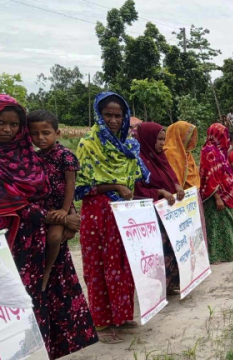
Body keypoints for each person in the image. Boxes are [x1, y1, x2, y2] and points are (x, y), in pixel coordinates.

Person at [0, 95, 99, 357]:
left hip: (40, 240)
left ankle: (43, 351)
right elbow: (17, 205)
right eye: (1, 123)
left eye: (13, 125)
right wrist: (62, 218)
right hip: (10, 244)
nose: (8, 130)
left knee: (44, 298)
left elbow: (63, 187)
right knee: (13, 304)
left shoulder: (28, 155)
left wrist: (69, 213)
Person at [75, 92, 150, 344]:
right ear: (99, 115)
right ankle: (101, 322)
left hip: (124, 213)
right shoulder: (88, 144)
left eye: (118, 115)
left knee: (122, 264)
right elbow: (82, 186)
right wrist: (115, 186)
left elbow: (137, 177)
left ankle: (122, 315)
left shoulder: (128, 146)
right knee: (99, 266)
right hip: (98, 212)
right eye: (108, 115)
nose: (113, 120)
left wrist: (123, 188)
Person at [27, 110, 79, 291]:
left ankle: (47, 271)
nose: (40, 138)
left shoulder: (66, 155)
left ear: (57, 133)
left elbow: (71, 184)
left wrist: (66, 210)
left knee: (55, 237)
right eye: (35, 133)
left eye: (46, 133)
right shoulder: (35, 157)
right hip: (43, 206)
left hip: (59, 206)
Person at [133, 122, 185, 294]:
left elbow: (170, 176)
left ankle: (172, 284)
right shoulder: (139, 160)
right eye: (158, 139)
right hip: (152, 215)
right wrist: (160, 192)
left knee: (172, 247)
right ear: (148, 139)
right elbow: (137, 188)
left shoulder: (161, 157)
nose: (162, 143)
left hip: (168, 213)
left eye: (163, 139)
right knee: (159, 251)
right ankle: (159, 288)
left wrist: (177, 186)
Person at [200, 123, 233, 263]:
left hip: (226, 194)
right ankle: (215, 256)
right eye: (224, 136)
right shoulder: (209, 151)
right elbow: (209, 176)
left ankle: (228, 254)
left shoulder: (220, 150)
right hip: (215, 196)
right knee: (215, 227)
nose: (227, 139)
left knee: (228, 224)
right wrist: (217, 197)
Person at [164, 121, 200, 190]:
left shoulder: (187, 153)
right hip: (181, 196)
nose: (191, 139)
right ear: (179, 135)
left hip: (193, 194)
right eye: (188, 135)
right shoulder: (170, 153)